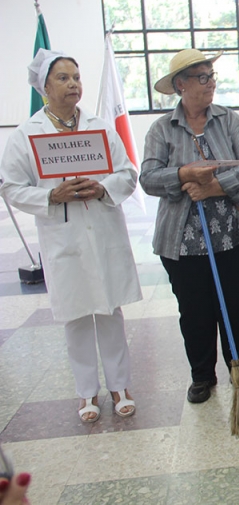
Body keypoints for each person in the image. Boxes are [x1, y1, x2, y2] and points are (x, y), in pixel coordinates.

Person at [0, 49, 141, 422]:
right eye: (63, 78)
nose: (73, 84)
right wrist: (50, 194)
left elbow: (127, 173)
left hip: (103, 229)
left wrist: (102, 187)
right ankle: (86, 392)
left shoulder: (100, 126)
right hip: (63, 235)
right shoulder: (27, 134)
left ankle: (120, 385)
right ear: (44, 87)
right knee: (76, 314)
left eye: (76, 77)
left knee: (110, 308)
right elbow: (11, 186)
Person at [140, 49, 239, 403]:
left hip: (234, 236)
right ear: (181, 85)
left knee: (236, 307)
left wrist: (214, 186)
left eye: (212, 76)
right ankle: (201, 375)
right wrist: (183, 175)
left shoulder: (229, 120)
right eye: (202, 77)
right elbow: (147, 178)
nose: (211, 83)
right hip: (182, 243)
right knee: (194, 310)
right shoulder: (162, 129)